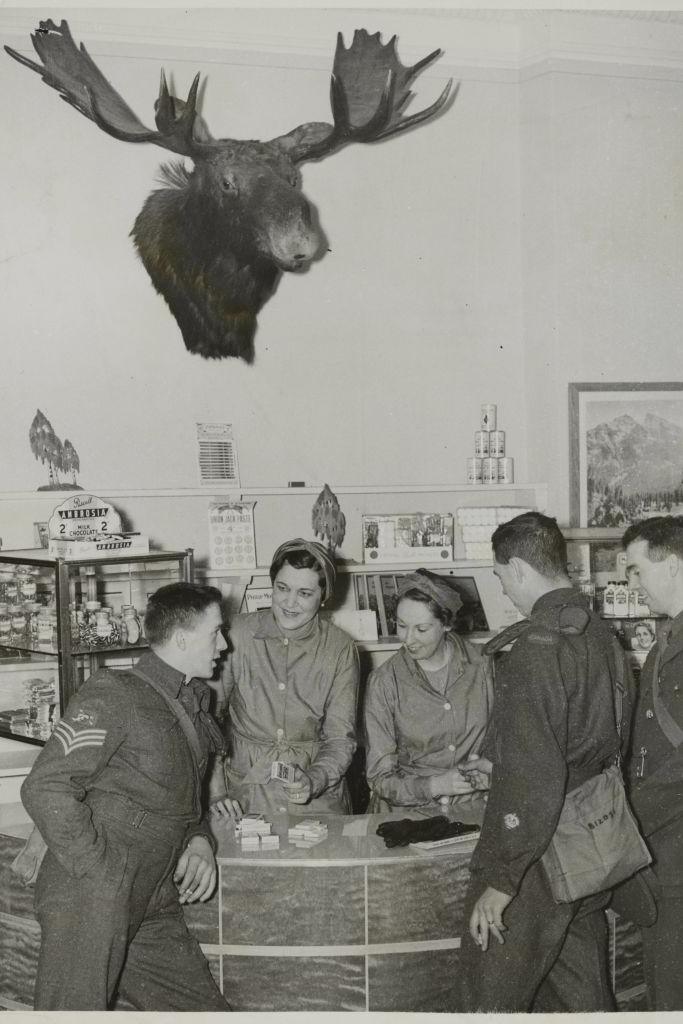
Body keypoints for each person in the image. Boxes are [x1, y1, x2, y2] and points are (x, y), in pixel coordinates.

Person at [20, 582, 235, 1012]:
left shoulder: (195, 699)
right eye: (216, 632)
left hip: (153, 895)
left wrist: (199, 839)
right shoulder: (116, 693)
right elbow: (45, 785)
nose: (224, 644)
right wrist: (101, 874)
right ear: (182, 639)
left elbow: (177, 798)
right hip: (93, 896)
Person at [458, 511, 626, 1012]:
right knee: (582, 995)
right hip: (590, 844)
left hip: (537, 856)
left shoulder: (533, 648)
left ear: (518, 569)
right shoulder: (601, 635)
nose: (504, 589)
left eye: (500, 576)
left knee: (486, 995)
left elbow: (535, 776)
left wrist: (501, 880)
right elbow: (602, 736)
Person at [210, 538, 359, 819]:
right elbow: (208, 721)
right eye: (282, 588)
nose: (290, 603)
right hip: (245, 794)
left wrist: (314, 779)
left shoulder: (340, 648)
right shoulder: (237, 635)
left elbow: (341, 738)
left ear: (323, 596)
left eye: (304, 593)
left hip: (317, 799)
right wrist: (216, 790)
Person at [363, 569, 494, 813]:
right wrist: (435, 785)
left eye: (421, 629)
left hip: (472, 810)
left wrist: (492, 774)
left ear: (446, 625)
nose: (408, 639)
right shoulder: (384, 682)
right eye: (401, 626)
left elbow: (504, 744)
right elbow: (379, 778)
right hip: (406, 815)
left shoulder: (483, 666)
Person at [622, 516, 683, 1011]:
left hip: (673, 844)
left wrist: (630, 818)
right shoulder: (669, 636)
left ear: (674, 566)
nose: (631, 583)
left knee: (671, 987)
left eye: (638, 570)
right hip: (665, 841)